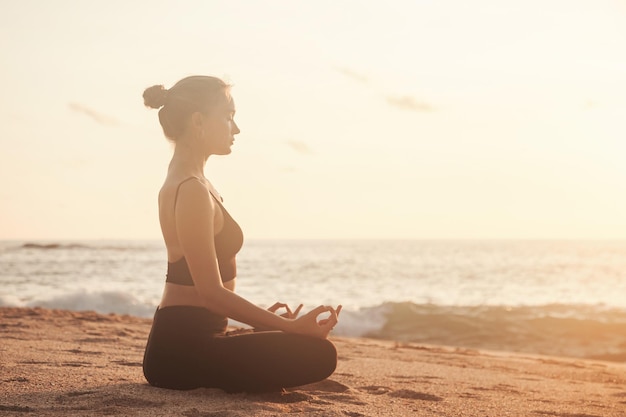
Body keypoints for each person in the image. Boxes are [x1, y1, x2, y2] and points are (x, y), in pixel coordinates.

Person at [141, 75, 341, 393]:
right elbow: (210, 293)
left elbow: (208, 299)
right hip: (180, 351)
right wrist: (287, 326)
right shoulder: (191, 189)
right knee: (320, 354)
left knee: (296, 343)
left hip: (194, 339)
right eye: (229, 116)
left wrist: (265, 323)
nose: (236, 128)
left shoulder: (194, 182)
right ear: (198, 121)